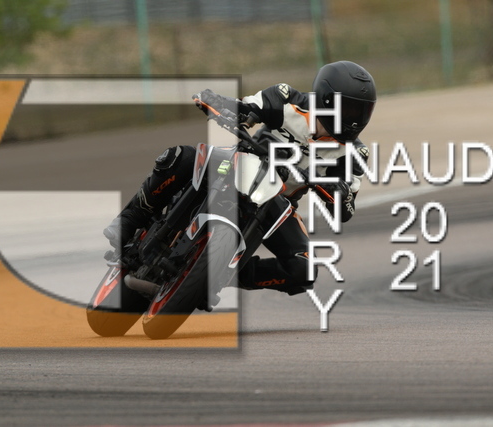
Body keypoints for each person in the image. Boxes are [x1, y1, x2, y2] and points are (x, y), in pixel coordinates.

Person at [104, 61, 376, 296]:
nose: (355, 119)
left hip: (277, 203)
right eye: (350, 109)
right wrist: (219, 104)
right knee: (180, 157)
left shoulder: (355, 153)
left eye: (362, 111)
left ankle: (228, 274)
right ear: (326, 98)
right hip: (240, 164)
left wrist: (338, 192)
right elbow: (246, 107)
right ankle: (129, 219)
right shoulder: (287, 99)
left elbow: (345, 209)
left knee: (303, 270)